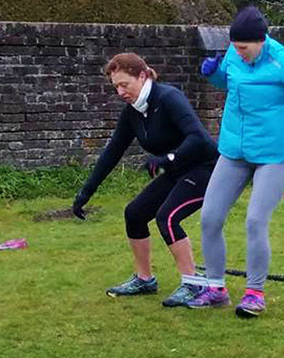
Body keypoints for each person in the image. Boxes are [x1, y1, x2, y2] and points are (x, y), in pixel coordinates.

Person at [187, 5, 284, 318]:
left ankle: (254, 293)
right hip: (234, 151)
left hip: (275, 155)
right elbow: (227, 82)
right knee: (210, 218)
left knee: (255, 220)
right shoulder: (234, 53)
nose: (237, 53)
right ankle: (215, 288)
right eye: (234, 47)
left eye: (243, 48)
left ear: (261, 40)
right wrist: (213, 73)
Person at [73, 53, 218, 307]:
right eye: (115, 86)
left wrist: (166, 159)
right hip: (177, 172)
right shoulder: (133, 112)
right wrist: (86, 192)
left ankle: (193, 284)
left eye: (124, 84)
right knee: (135, 213)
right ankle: (144, 279)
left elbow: (200, 139)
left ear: (142, 76)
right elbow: (112, 153)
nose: (120, 92)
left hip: (204, 170)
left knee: (168, 217)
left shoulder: (169, 98)